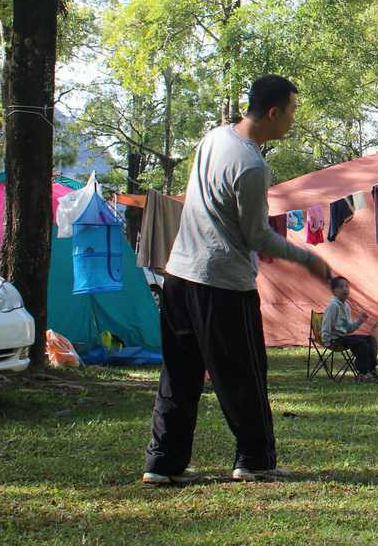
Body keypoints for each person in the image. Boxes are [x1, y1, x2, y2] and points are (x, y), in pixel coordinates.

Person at [142, 75, 332, 485]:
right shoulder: (252, 165)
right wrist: (307, 259)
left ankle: (162, 464)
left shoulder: (213, 138)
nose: (293, 121)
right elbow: (256, 236)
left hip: (178, 276)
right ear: (273, 112)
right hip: (222, 285)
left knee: (179, 374)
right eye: (293, 112)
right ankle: (255, 460)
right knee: (243, 374)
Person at [321, 276, 378, 381]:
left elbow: (349, 329)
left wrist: (359, 321)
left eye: (347, 286)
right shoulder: (333, 306)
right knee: (361, 343)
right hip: (334, 340)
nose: (345, 289)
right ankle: (363, 373)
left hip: (343, 337)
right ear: (333, 291)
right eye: (341, 287)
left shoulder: (346, 306)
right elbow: (326, 325)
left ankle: (372, 369)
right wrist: (327, 341)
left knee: (371, 339)